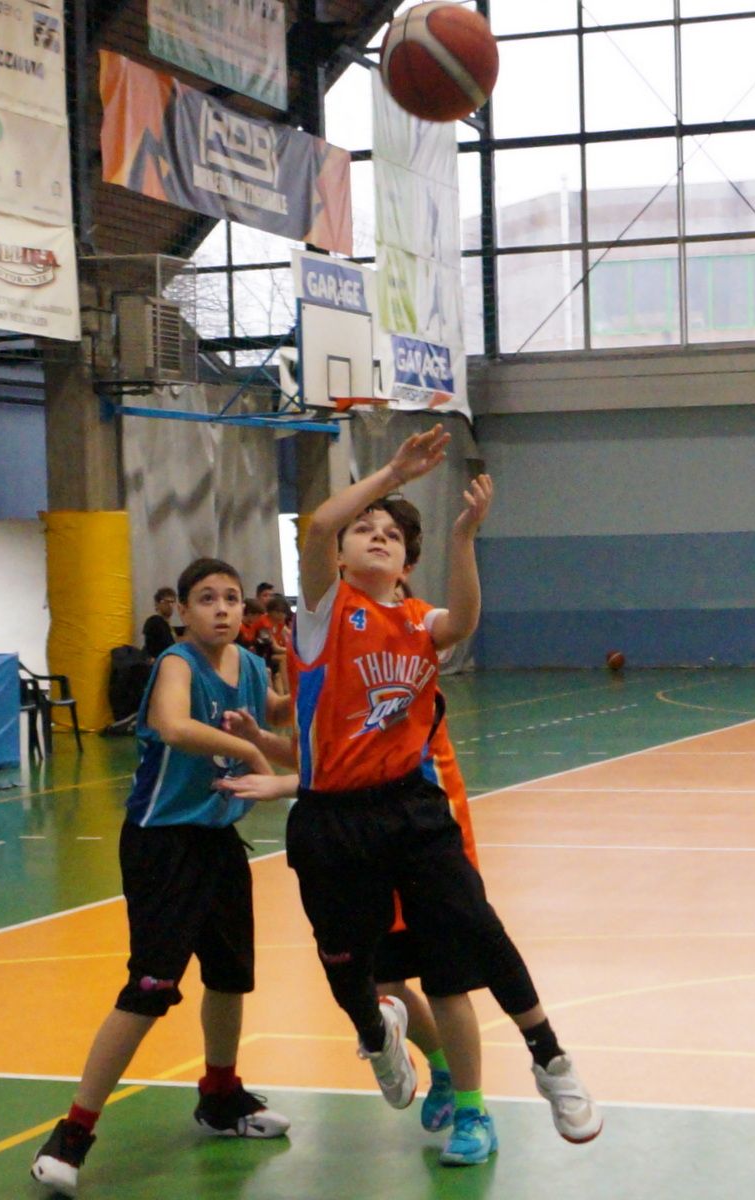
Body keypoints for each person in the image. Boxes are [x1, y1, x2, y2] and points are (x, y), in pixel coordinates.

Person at [221, 426, 601, 1167]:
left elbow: (463, 622)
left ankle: (549, 1060)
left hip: (411, 809)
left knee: (475, 933)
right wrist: (394, 473)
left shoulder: (417, 621)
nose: (376, 536)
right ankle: (378, 1034)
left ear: (406, 561)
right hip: (332, 821)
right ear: (340, 554)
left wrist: (464, 536)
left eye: (391, 534)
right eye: (364, 528)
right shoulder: (324, 614)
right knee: (349, 965)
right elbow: (320, 526)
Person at [30, 557, 294, 1198]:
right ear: (182, 610)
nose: (222, 608)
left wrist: (306, 669)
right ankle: (73, 1132)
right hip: (162, 845)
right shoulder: (177, 664)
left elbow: (279, 712)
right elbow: (174, 726)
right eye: (207, 598)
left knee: (229, 976)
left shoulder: (249, 663)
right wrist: (249, 750)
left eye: (232, 598)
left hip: (218, 843)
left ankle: (221, 1096)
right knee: (150, 988)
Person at [142, 586, 178, 660]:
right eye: (166, 602)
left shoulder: (170, 627)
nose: (170, 605)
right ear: (157, 604)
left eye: (172, 602)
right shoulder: (154, 621)